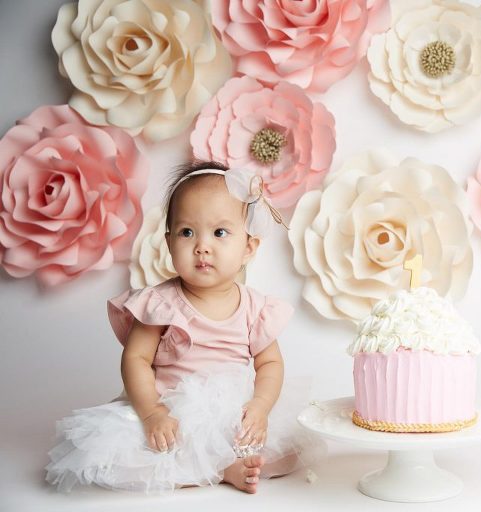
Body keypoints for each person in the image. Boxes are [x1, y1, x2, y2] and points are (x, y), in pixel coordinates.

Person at [46, 161, 322, 494]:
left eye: (220, 232)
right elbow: (136, 359)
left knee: (289, 454)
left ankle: (222, 463)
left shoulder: (255, 308)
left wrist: (260, 407)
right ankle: (217, 469)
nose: (202, 246)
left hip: (229, 416)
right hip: (170, 412)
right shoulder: (161, 304)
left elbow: (270, 363)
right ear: (168, 241)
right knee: (111, 462)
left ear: (248, 247)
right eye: (187, 232)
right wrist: (151, 413)